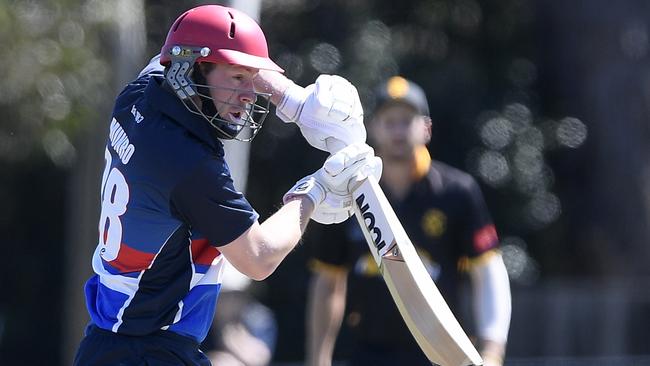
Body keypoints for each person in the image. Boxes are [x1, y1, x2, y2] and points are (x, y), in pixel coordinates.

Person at [73, 5, 381, 366]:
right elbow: (259, 257)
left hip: (113, 344)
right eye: (238, 79)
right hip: (149, 350)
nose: (251, 94)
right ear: (191, 71)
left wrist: (292, 99)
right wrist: (316, 190)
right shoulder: (188, 164)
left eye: (253, 78)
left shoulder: (138, 95)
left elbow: (172, 57)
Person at [306, 76, 512, 366]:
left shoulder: (457, 191)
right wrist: (317, 358)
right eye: (389, 121)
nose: (398, 130)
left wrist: (493, 350)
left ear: (426, 128)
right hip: (367, 354)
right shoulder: (348, 193)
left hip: (441, 355)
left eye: (407, 120)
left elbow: (488, 270)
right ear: (372, 128)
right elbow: (328, 281)